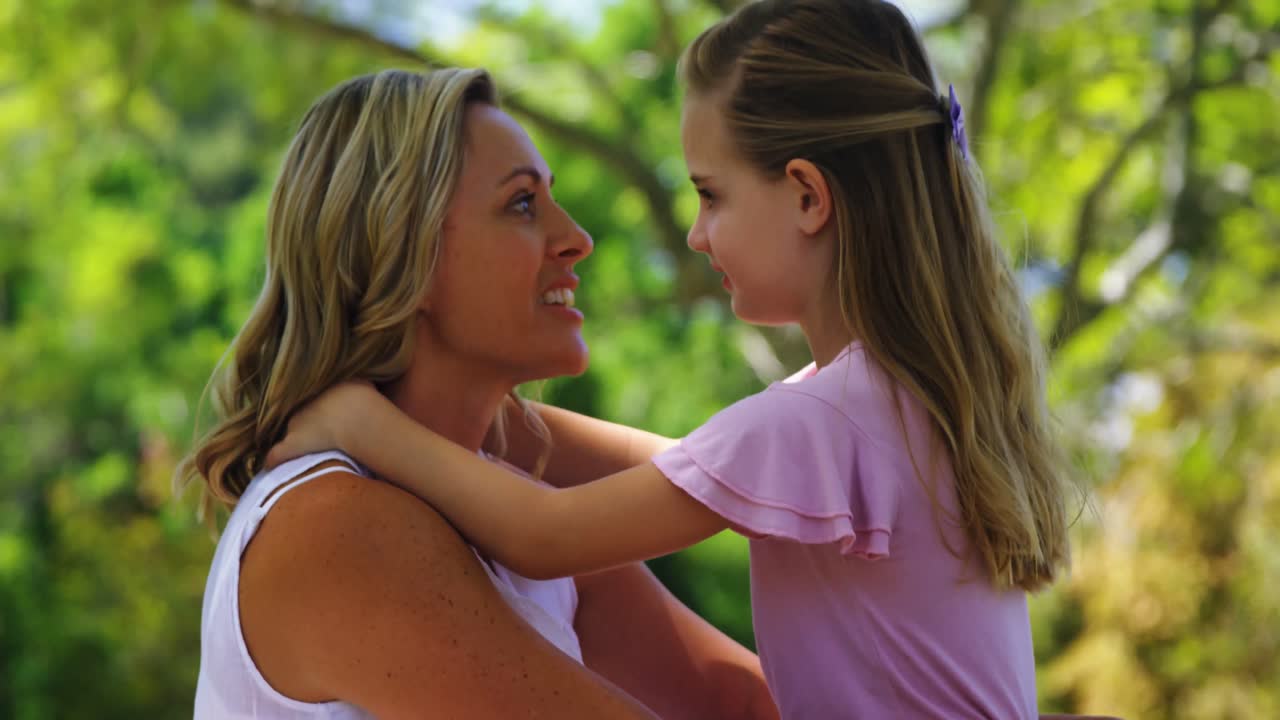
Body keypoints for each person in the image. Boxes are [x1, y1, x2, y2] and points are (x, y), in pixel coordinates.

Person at [268, 1, 1094, 717]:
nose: (697, 235)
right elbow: (672, 466)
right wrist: (466, 411)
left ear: (808, 196)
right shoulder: (887, 404)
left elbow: (543, 535)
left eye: (711, 194)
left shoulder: (820, 419)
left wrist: (362, 424)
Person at [178, 67, 778, 719]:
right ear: (402, 252)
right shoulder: (335, 523)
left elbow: (745, 701)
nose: (577, 239)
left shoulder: (497, 486)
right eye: (522, 204)